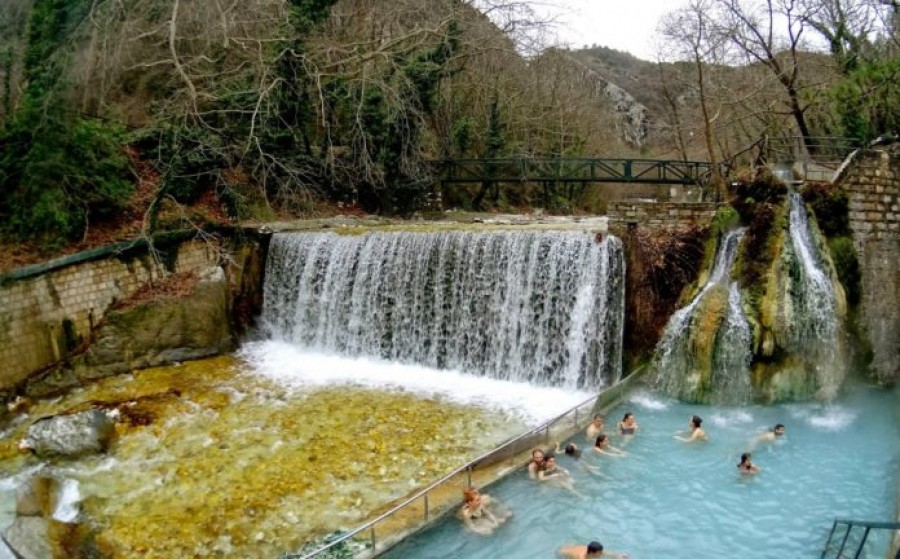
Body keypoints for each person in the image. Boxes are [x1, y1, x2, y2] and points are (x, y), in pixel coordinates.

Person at [559, 540, 628, 558]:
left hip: (568, 546)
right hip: (561, 554)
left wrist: (617, 555)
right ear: (592, 553)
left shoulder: (590, 549)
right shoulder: (581, 557)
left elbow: (605, 553)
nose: (602, 554)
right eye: (599, 553)